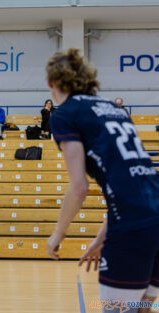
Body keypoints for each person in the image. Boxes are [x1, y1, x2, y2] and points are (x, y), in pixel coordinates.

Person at [45, 49, 159, 313]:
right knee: (142, 309)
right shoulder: (115, 109)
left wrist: (57, 234)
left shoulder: (65, 114)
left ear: (51, 83)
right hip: (151, 214)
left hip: (133, 228)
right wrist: (100, 240)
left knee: (119, 310)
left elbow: (79, 186)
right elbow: (133, 187)